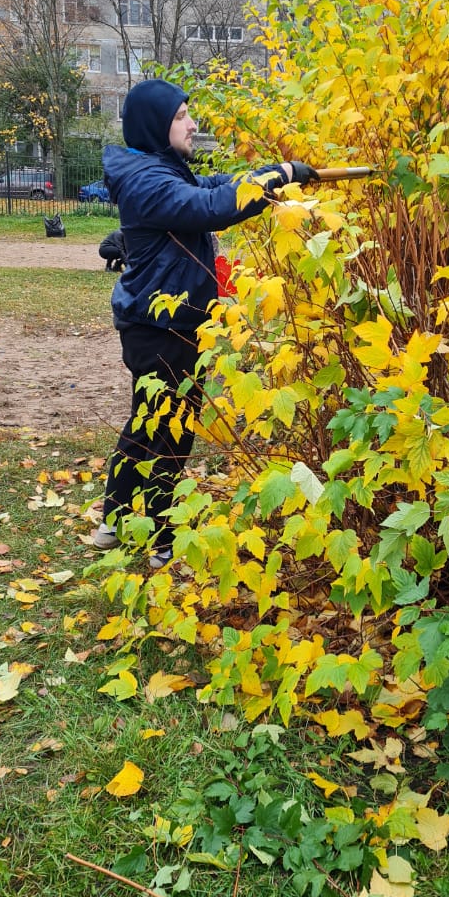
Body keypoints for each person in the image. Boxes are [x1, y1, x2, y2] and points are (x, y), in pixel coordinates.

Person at [88, 77, 317, 561]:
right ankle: (161, 538)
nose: (192, 124)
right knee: (171, 426)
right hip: (159, 326)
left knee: (150, 421)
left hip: (160, 322)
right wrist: (276, 177)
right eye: (180, 117)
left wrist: (273, 174)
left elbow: (218, 185)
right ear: (155, 125)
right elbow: (212, 208)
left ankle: (114, 519)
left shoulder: (160, 170)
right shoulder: (149, 181)